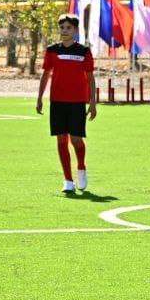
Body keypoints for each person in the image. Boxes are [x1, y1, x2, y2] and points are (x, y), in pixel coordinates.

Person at [36, 14, 97, 193]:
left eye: (68, 28)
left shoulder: (84, 51)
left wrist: (92, 102)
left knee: (77, 140)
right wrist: (39, 97)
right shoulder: (52, 50)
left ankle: (81, 167)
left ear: (75, 30)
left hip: (78, 102)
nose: (64, 31)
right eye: (62, 27)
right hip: (57, 102)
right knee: (61, 138)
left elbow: (90, 78)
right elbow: (46, 74)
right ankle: (68, 180)